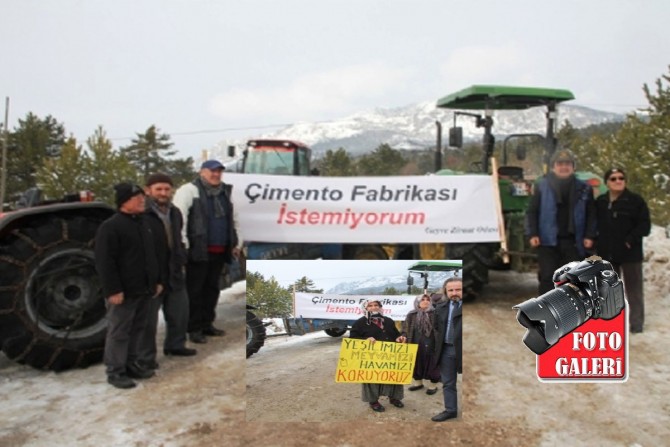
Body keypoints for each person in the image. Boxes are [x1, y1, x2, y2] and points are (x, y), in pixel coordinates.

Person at [95, 183, 162, 389]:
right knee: (119, 331)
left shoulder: (142, 224)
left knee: (138, 329)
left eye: (142, 197)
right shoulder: (111, 227)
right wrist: (113, 290)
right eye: (137, 197)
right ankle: (115, 371)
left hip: (143, 289)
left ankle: (133, 364)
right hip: (123, 292)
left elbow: (151, 256)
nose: (142, 200)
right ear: (124, 201)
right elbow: (105, 262)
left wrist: (156, 281)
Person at [173, 160, 241, 344]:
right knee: (195, 291)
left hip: (219, 250)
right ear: (202, 172)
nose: (216, 174)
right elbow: (180, 220)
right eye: (212, 171)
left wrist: (237, 243)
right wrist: (183, 245)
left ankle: (207, 324)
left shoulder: (226, 192)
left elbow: (235, 219)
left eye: (219, 171)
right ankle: (193, 328)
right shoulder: (188, 191)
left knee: (212, 290)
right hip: (197, 251)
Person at [137, 173, 197, 371]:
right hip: (152, 275)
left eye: (166, 189)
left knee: (180, 312)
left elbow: (179, 238)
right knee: (148, 321)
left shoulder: (175, 212)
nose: (163, 193)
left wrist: (182, 258)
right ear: (148, 191)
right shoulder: (141, 214)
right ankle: (145, 357)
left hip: (174, 271)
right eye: (158, 189)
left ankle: (175, 345)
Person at [525, 149, 597, 294]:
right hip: (547, 241)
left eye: (567, 164)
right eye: (560, 164)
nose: (564, 167)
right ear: (553, 167)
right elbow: (532, 211)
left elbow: (591, 214)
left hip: (573, 241)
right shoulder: (542, 186)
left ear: (573, 167)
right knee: (547, 277)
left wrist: (589, 235)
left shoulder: (583, 188)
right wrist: (533, 233)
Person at [595, 167, 651, 333]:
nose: (618, 181)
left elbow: (645, 226)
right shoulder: (601, 202)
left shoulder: (635, 201)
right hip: (607, 253)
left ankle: (636, 324)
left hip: (630, 253)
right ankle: (609, 322)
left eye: (621, 178)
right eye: (613, 178)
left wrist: (631, 239)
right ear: (607, 182)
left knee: (634, 290)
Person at [349, 299, 406, 412]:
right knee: (372, 378)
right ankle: (373, 401)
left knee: (393, 377)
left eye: (376, 305)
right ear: (365, 308)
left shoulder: (388, 321)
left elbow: (396, 334)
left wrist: (399, 338)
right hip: (370, 358)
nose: (374, 307)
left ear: (380, 307)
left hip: (390, 355)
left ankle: (394, 398)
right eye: (370, 306)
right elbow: (352, 340)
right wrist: (365, 339)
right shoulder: (360, 323)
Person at [431, 277, 462, 422]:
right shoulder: (441, 307)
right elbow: (436, 327)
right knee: (448, 382)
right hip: (447, 350)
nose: (454, 293)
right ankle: (451, 410)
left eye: (458, 289)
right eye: (451, 290)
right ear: (446, 291)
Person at [401, 294, 440, 395]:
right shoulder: (411, 314)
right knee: (415, 362)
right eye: (422, 300)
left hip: (432, 342)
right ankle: (418, 383)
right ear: (417, 302)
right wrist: (404, 335)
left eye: (428, 300)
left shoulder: (436, 313)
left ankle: (433, 385)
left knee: (432, 363)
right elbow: (405, 328)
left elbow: (440, 329)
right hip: (414, 341)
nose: (425, 301)